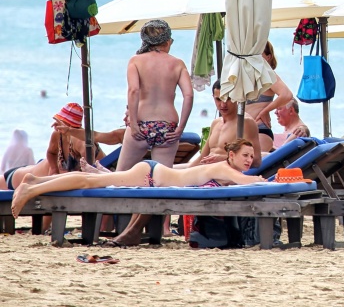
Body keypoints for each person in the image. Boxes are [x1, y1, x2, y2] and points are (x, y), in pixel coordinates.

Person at [107, 84, 262, 246]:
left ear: (236, 97)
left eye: (228, 99)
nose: (223, 104)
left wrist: (223, 158)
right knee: (153, 178)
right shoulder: (216, 123)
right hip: (204, 172)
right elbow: (202, 156)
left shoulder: (246, 123)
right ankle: (131, 230)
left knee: (158, 180)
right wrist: (183, 173)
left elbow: (256, 160)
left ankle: (133, 232)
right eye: (218, 99)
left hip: (221, 177)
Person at [10, 139, 267, 219]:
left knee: (93, 179)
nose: (248, 160)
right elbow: (248, 182)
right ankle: (31, 187)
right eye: (245, 155)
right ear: (231, 155)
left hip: (156, 174)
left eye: (252, 156)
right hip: (151, 176)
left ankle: (35, 182)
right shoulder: (225, 169)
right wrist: (270, 181)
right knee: (90, 182)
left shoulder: (227, 170)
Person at [117, 20, 194, 173]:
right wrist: (180, 129)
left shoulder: (136, 61)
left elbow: (134, 90)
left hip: (141, 124)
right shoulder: (178, 64)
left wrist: (133, 124)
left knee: (121, 175)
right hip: (168, 127)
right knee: (163, 179)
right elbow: (189, 95)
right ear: (167, 41)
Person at [239, 41, 294, 154]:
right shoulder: (246, 77)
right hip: (241, 131)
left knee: (251, 162)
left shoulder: (268, 75)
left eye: (259, 54)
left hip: (260, 130)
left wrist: (265, 111)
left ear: (268, 57)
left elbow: (287, 95)